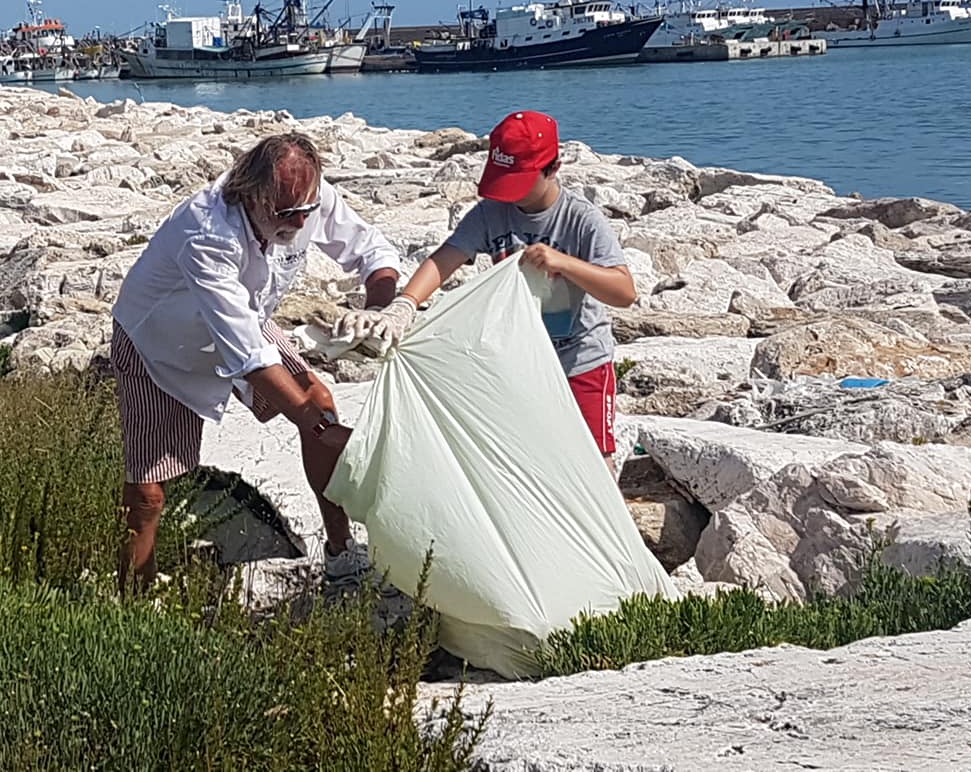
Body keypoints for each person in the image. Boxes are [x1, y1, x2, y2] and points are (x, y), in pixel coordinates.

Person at [111, 132, 401, 592]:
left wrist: (380, 308)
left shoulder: (304, 198)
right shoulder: (207, 231)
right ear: (250, 192)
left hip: (243, 315)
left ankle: (341, 553)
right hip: (159, 345)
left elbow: (371, 251)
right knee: (150, 484)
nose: (299, 222)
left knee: (317, 399)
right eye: (285, 214)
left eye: (305, 210)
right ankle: (134, 592)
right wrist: (320, 431)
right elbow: (246, 352)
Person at [336, 111, 636, 477]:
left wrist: (565, 264)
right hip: (518, 360)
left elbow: (623, 291)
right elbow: (444, 259)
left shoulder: (581, 219)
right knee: (525, 462)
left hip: (581, 362)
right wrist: (404, 305)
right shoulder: (492, 213)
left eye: (521, 182)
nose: (511, 194)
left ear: (552, 168)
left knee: (593, 467)